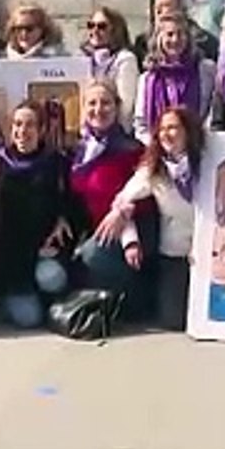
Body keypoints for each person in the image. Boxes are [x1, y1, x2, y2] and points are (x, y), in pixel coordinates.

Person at [95, 107, 204, 332]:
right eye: (162, 129)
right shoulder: (154, 168)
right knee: (174, 321)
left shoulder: (208, 162)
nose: (166, 134)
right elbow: (124, 197)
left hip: (207, 251)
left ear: (188, 132)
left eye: (173, 127)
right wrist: (120, 215)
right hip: (175, 252)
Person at [0, 100, 79, 329]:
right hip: (8, 261)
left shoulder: (56, 162)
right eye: (17, 124)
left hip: (43, 251)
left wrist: (63, 217)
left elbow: (71, 200)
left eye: (29, 125)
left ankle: (45, 297)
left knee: (52, 278)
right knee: (30, 319)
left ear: (42, 129)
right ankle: (9, 301)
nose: (22, 131)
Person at [69, 79, 156, 316]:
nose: (99, 109)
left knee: (91, 256)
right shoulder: (79, 150)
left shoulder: (132, 150)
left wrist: (124, 222)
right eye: (92, 103)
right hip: (97, 229)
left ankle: (132, 299)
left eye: (106, 103)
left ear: (117, 108)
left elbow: (147, 199)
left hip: (135, 230)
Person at [134, 12, 216, 143]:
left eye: (181, 34)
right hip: (159, 151)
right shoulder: (147, 78)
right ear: (159, 38)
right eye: (170, 34)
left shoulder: (206, 70)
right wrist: (158, 146)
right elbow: (140, 124)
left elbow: (211, 114)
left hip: (198, 147)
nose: (175, 39)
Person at [133, 0, 220, 66]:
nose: (159, 11)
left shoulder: (204, 42)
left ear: (183, 10)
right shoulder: (142, 43)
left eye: (165, 5)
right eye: (157, 6)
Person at [82, 6, 140, 129]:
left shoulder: (125, 59)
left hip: (116, 132)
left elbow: (126, 107)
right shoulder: (83, 58)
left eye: (102, 26)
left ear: (115, 30)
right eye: (91, 25)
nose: (95, 30)